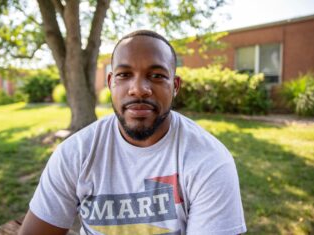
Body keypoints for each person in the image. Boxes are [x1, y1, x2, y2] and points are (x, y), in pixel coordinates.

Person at [19, 30, 247, 235]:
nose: (138, 89)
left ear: (175, 86)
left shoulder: (210, 160)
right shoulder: (75, 153)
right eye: (124, 74)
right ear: (110, 83)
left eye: (157, 75)